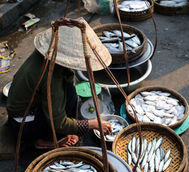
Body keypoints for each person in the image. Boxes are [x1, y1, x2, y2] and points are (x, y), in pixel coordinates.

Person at [6, 18, 112, 150]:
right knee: (58, 117)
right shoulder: (51, 77)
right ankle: (43, 141)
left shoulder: (46, 54)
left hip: (29, 105)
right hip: (23, 125)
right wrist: (92, 124)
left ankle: (67, 128)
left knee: (71, 91)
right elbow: (58, 123)